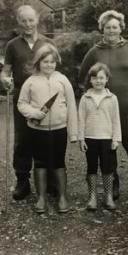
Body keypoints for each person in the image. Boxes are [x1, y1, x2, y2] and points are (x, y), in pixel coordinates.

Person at [78, 10, 128, 201]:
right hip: (104, 113)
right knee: (108, 151)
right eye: (108, 27)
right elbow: (83, 77)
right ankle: (114, 185)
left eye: (115, 27)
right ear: (103, 29)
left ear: (121, 28)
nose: (111, 30)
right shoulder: (95, 51)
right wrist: (91, 101)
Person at [16, 43, 78, 213]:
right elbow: (21, 103)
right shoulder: (31, 81)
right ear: (38, 62)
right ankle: (41, 197)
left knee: (59, 162)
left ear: (56, 62)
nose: (49, 65)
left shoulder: (63, 80)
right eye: (45, 62)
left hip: (59, 129)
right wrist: (33, 113)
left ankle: (62, 196)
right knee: (40, 163)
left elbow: (72, 106)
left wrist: (73, 133)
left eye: (52, 61)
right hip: (37, 131)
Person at [1, 5, 52, 200]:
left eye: (31, 20)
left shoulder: (48, 43)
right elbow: (5, 70)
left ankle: (47, 180)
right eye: (24, 21)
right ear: (19, 22)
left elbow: (55, 69)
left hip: (44, 98)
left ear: (37, 19)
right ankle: (22, 181)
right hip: (21, 99)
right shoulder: (12, 45)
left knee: (45, 138)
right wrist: (4, 79)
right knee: (22, 140)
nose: (28, 24)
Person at [78, 62, 122, 211]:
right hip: (90, 137)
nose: (98, 81)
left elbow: (116, 119)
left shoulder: (112, 98)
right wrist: (81, 138)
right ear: (90, 80)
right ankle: (92, 198)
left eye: (101, 78)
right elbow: (81, 119)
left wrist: (116, 138)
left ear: (107, 79)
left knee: (107, 167)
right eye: (95, 77)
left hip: (107, 139)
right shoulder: (85, 98)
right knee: (91, 167)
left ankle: (108, 196)